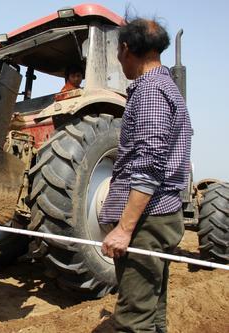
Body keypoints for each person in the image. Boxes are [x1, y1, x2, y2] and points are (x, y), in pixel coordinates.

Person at [98, 18, 192, 333]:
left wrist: (124, 229)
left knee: (133, 320)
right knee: (153, 312)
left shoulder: (150, 91)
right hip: (159, 216)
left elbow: (149, 163)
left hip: (147, 220)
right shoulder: (167, 87)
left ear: (126, 49)